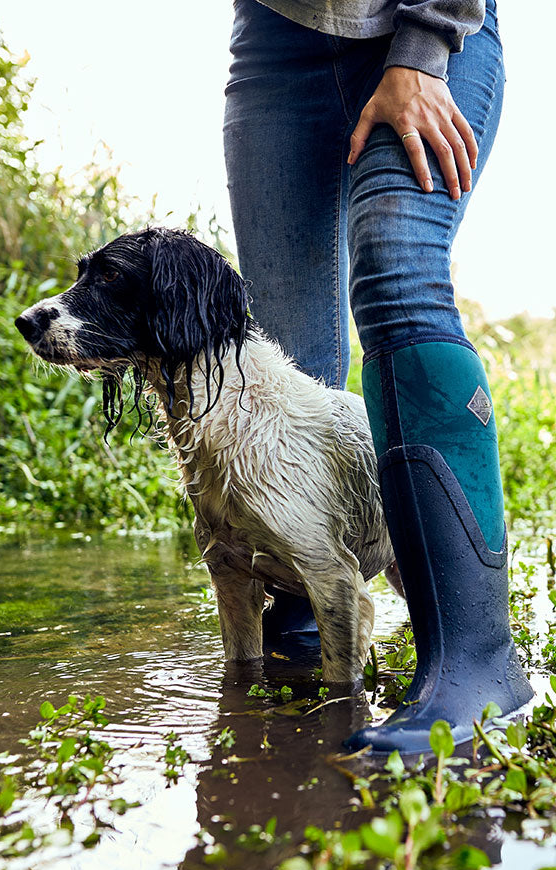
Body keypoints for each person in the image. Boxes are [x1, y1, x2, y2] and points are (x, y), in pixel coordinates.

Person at [223, 0, 533, 753]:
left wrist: (425, 47)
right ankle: (305, 619)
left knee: (397, 270)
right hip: (273, 41)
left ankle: (476, 661)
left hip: (419, 26)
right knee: (286, 347)